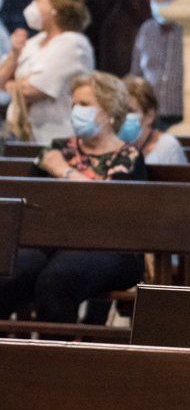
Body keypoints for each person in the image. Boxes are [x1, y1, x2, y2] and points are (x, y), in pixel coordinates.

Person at [0, 71, 147, 325]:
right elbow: (32, 200)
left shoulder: (128, 156)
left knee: (56, 282)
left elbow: (109, 209)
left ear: (110, 110)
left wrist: (65, 172)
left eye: (85, 105)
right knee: (10, 273)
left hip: (110, 246)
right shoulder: (58, 148)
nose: (76, 111)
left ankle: (60, 357)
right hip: (51, 240)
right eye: (74, 105)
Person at [0, 0, 94, 143]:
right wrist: (14, 55)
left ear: (56, 7)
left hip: (53, 140)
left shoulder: (72, 44)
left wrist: (11, 83)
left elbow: (33, 90)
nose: (32, 6)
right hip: (20, 137)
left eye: (38, 0)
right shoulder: (34, 42)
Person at [130, 0, 183, 130]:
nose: (160, 3)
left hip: (183, 117)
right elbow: (136, 75)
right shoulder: (146, 30)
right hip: (152, 118)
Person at [121, 75, 187, 164]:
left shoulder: (168, 147)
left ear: (149, 115)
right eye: (119, 111)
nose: (122, 117)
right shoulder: (113, 146)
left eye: (130, 111)